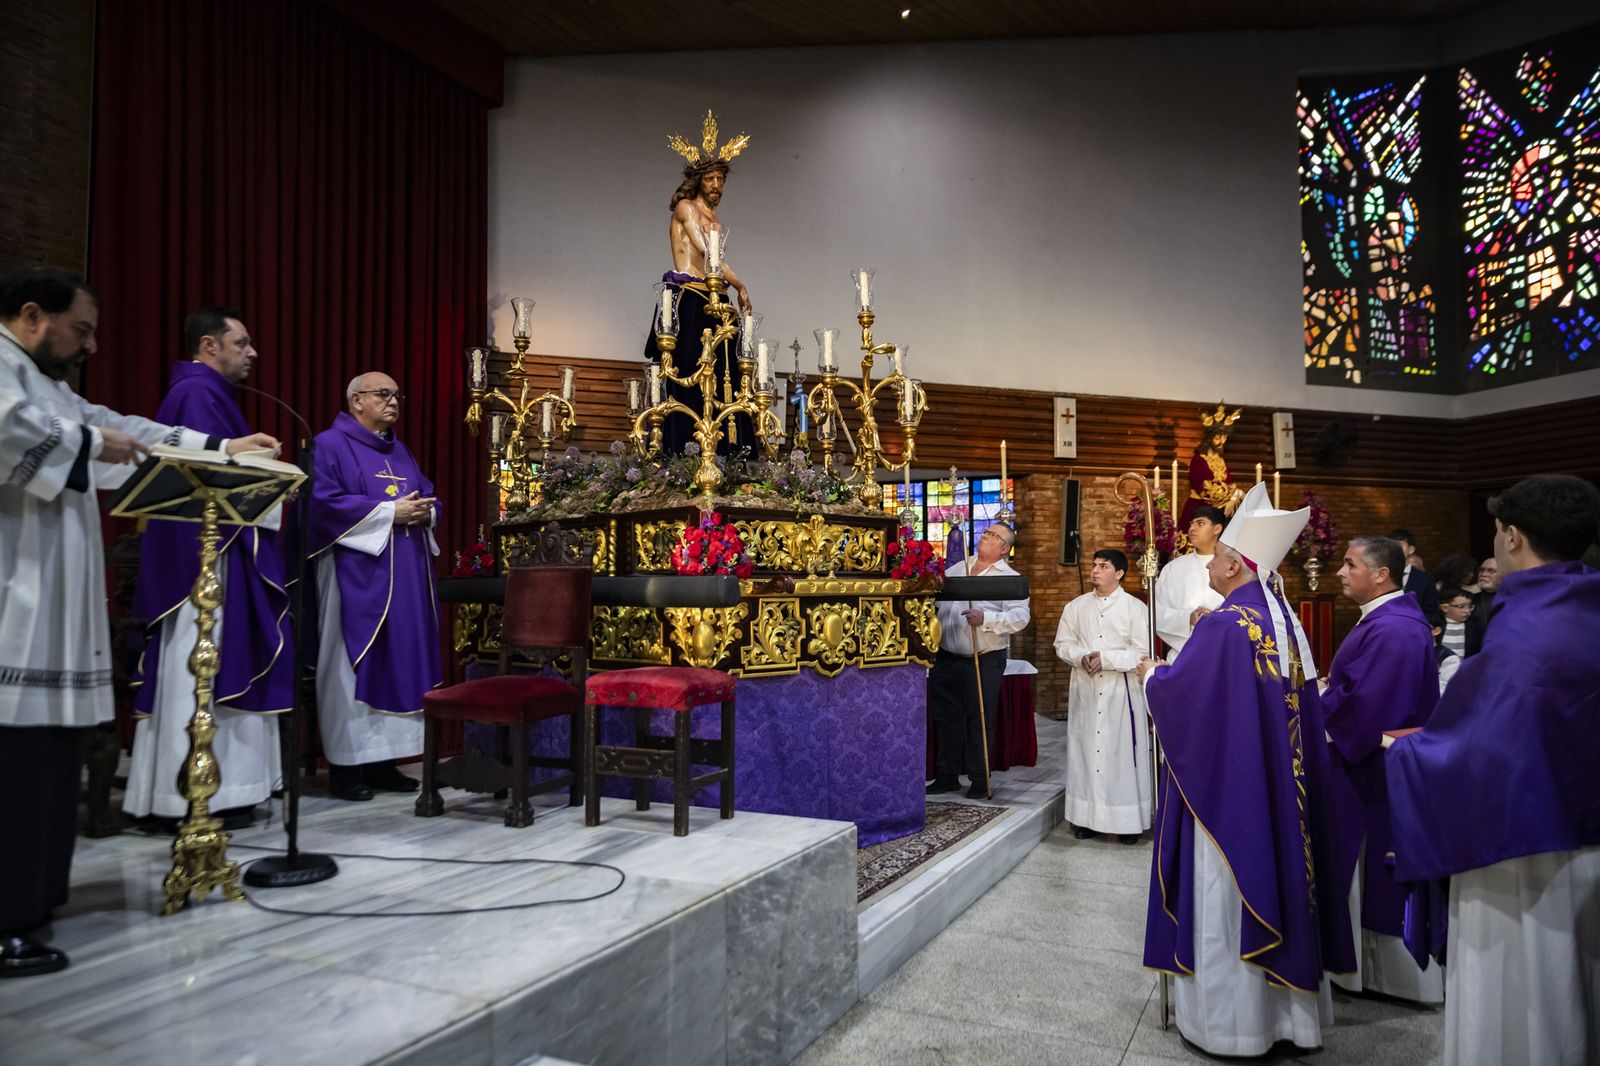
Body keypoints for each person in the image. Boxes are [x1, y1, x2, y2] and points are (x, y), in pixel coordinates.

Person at [0, 268, 275, 977]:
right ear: (32, 316)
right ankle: (9, 920)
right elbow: (24, 435)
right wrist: (97, 445)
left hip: (52, 604)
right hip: (14, 601)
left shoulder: (51, 385)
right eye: (81, 330)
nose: (89, 346)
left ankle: (34, 903)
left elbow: (118, 424)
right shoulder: (4, 373)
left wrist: (217, 451)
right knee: (18, 766)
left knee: (51, 762)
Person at [1387, 474, 1600, 1066]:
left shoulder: (1527, 630)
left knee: (1527, 1000)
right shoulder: (1583, 607)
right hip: (1585, 838)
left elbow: (1476, 749)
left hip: (1522, 851)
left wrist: (1403, 754)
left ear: (1513, 537)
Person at [1137, 483, 1353, 1057]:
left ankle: (1232, 1027)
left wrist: (1153, 676)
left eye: (1216, 556)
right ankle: (1289, 1018)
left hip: (1233, 791)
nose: (1209, 564)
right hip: (1284, 787)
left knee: (1226, 890)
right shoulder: (1280, 617)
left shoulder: (1227, 624)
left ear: (1233, 563)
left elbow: (1188, 698)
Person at [124, 308, 293, 830]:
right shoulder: (199, 393)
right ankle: (194, 798)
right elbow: (203, 482)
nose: (253, 353)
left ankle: (215, 793)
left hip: (218, 548)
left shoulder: (210, 395)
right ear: (208, 345)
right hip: (207, 557)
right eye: (241, 342)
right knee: (203, 663)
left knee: (211, 664)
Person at [309, 373, 441, 800]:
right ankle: (347, 768)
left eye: (397, 394)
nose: (394, 401)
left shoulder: (398, 449)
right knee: (350, 665)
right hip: (356, 573)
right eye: (383, 394)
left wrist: (425, 512)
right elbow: (322, 503)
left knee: (400, 659)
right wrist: (389, 513)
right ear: (356, 401)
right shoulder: (329, 444)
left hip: (404, 574)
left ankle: (386, 763)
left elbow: (424, 494)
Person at [1322, 535, 1442, 1003]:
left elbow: (1370, 707)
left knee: (1372, 866)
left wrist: (1316, 704)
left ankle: (1378, 972)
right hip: (1373, 766)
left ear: (1381, 575)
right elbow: (1361, 686)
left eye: (1349, 564)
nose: (1340, 572)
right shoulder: (1388, 620)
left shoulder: (1393, 628)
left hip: (1375, 772)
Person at [648, 111, 753, 453]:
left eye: (721, 179)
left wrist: (737, 285)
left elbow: (717, 258)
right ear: (698, 180)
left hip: (713, 294)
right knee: (688, 371)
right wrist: (736, 285)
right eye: (710, 179)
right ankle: (683, 445)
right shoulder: (686, 208)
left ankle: (723, 446)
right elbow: (707, 252)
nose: (717, 186)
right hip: (690, 296)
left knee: (726, 372)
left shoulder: (714, 217)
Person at [1053, 548, 1151, 843]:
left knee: (1120, 756)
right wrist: (1081, 655)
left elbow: (1142, 651)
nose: (1095, 570)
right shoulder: (1075, 606)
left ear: (1119, 573)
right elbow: (1062, 643)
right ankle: (1086, 819)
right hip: (1085, 688)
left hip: (1120, 692)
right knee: (1086, 753)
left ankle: (1127, 822)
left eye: (1103, 566)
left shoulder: (1135, 608)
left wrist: (1105, 658)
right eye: (1094, 565)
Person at [927, 522, 1030, 799]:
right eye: (985, 532)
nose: (986, 537)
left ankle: (979, 778)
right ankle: (946, 775)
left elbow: (1020, 618)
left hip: (983, 658)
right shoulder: (956, 568)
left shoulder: (1009, 577)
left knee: (979, 720)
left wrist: (987, 619)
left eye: (993, 535)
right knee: (946, 718)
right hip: (947, 657)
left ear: (1004, 548)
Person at [1152, 505, 1226, 660]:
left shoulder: (1232, 565)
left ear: (1217, 528)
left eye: (1200, 523)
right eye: (1191, 524)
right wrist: (1188, 618)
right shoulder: (1173, 568)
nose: (1192, 528)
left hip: (1224, 654)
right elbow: (1154, 614)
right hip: (1182, 656)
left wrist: (1215, 619)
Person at [1177, 403, 1245, 528]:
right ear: (1209, 438)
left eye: (1224, 438)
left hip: (1218, 513)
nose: (1222, 442)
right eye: (1218, 438)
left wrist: (1233, 498)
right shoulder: (1198, 460)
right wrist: (1233, 497)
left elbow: (1230, 483)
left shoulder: (1220, 460)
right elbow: (1204, 488)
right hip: (1200, 510)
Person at [1388, 528, 1440, 620]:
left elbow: (1431, 611)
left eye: (1399, 545)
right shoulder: (1381, 576)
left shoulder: (1425, 579)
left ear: (1411, 549)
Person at [1436, 585, 1483, 658]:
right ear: (1445, 608)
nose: (1467, 611)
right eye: (1461, 607)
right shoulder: (1436, 624)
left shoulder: (1475, 626)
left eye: (1470, 606)